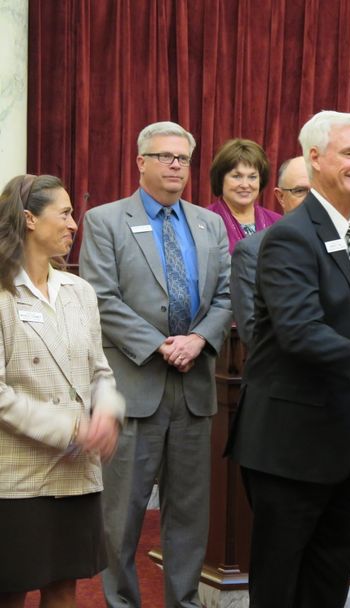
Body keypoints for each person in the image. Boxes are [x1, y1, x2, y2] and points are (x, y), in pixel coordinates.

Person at [225, 110, 350, 608]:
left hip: (347, 447)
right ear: (314, 159)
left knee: (328, 583)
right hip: (287, 447)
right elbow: (300, 333)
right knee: (280, 587)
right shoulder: (289, 237)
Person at [79, 121, 232, 608]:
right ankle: (121, 603)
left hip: (194, 387)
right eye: (164, 157)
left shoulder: (209, 224)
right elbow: (100, 297)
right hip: (135, 384)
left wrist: (199, 339)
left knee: (188, 515)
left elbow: (228, 297)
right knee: (121, 516)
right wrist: (160, 344)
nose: (175, 166)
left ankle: (183, 603)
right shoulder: (105, 221)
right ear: (140, 162)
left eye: (183, 159)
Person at [0, 174, 123, 606]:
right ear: (29, 219)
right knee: (10, 590)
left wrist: (106, 413)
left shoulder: (79, 291)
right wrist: (70, 429)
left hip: (76, 475)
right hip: (15, 477)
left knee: (64, 586)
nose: (75, 224)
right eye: (66, 213)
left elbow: (101, 371)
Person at [231, 156, 310, 347]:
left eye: (319, 192)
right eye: (301, 191)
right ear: (281, 197)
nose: (312, 201)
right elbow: (254, 331)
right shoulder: (252, 250)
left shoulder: (346, 242)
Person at [207, 138, 282, 253]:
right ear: (221, 178)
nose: (245, 185)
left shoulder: (277, 222)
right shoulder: (205, 221)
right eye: (237, 176)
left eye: (252, 177)